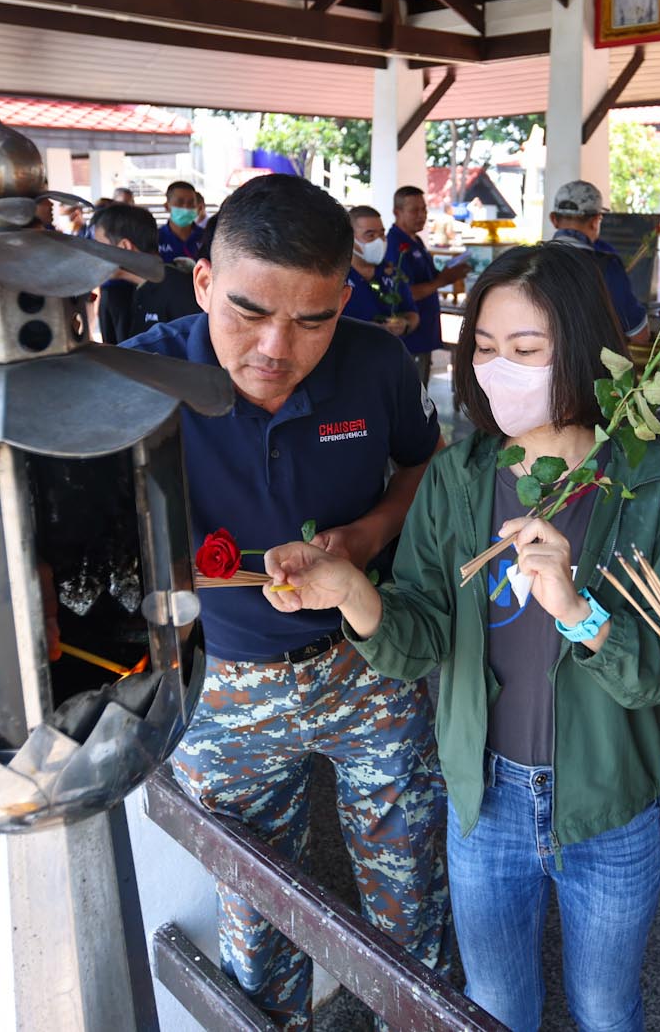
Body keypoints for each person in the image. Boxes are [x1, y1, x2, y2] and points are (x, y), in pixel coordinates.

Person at [263, 242, 660, 1032]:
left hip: (610, 807)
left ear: (580, 352)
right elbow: (418, 637)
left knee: (607, 1008)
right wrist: (352, 592)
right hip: (487, 798)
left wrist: (577, 608)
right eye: (482, 347)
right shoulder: (460, 476)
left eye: (525, 350)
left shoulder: (651, 483)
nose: (496, 367)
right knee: (495, 1004)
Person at [121, 174, 447, 1026]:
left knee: (410, 889)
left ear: (345, 298)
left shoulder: (375, 360)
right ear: (201, 282)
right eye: (247, 311)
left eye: (313, 319)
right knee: (258, 913)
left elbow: (423, 462)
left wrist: (371, 534)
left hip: (363, 667)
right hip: (222, 686)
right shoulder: (142, 379)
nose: (277, 346)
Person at [546, 180, 649, 344]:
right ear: (595, 221)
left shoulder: (532, 261)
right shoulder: (607, 266)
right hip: (590, 367)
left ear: (554, 219)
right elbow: (639, 335)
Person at [388, 185, 470, 385]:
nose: (421, 215)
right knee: (411, 397)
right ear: (397, 213)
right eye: (414, 210)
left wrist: (451, 272)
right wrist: (443, 280)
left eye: (424, 209)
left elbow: (431, 279)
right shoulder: (395, 245)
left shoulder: (416, 242)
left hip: (424, 332)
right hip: (409, 338)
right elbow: (407, 293)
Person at [91, 201, 201, 344]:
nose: (96, 255)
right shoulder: (139, 289)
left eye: (101, 247)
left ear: (124, 247)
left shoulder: (178, 290)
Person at [344, 204, 419, 336]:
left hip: (389, 353)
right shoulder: (337, 276)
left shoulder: (393, 273)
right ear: (350, 238)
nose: (379, 241)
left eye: (382, 234)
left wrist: (405, 324)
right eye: (370, 235)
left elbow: (412, 313)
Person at [158, 180, 209, 262]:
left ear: (198, 208)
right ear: (167, 206)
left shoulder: (207, 237)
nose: (186, 207)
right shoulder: (155, 239)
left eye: (191, 203)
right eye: (180, 202)